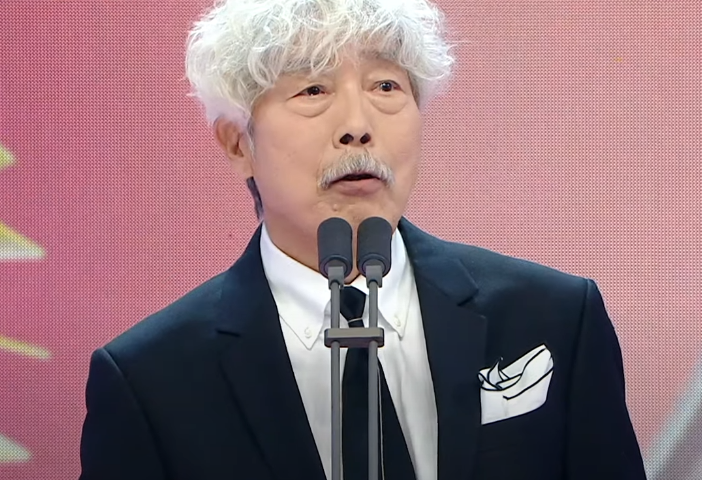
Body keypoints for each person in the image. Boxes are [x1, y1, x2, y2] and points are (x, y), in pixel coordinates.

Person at [78, 0, 647, 479]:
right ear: (237, 143)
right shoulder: (151, 382)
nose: (358, 125)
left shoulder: (554, 318)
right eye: (312, 89)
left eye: (385, 85)